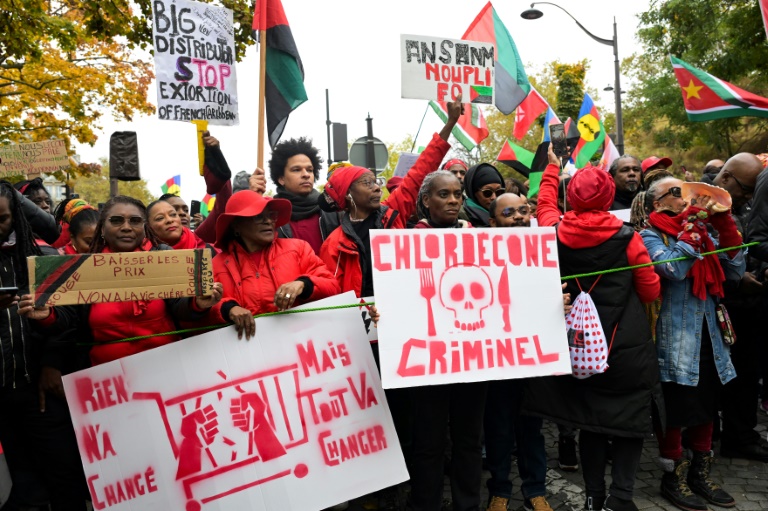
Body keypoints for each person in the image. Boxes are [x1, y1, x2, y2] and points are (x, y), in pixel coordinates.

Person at [525, 146, 662, 511]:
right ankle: (620, 498)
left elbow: (544, 209)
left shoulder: (554, 232)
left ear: (573, 197)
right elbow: (650, 290)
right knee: (628, 421)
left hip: (577, 347)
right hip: (625, 346)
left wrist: (552, 172)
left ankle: (592, 495)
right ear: (608, 194)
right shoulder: (629, 236)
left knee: (589, 420)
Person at [20, 196, 223, 366]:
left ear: (145, 227)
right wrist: (47, 315)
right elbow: (68, 322)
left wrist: (199, 303)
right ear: (102, 227)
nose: (126, 227)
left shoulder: (163, 257)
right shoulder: (82, 267)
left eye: (135, 221)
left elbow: (181, 307)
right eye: (116, 221)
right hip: (106, 379)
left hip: (166, 367)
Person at [641, 177, 744, 510]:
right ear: (656, 203)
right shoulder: (648, 235)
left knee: (706, 403)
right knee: (676, 408)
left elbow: (735, 270)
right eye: (676, 193)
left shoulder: (703, 231)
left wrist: (724, 226)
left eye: (686, 191)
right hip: (673, 338)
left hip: (709, 334)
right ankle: (674, 476)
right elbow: (671, 269)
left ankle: (700, 473)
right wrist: (692, 231)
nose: (686, 197)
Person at [0, 181, 89, 510]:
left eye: (2, 219)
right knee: (24, 487)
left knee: (62, 478)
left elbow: (70, 320)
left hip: (36, 390)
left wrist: (47, 317)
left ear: (17, 218)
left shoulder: (43, 257)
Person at [319, 96, 462, 298]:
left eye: (376, 182)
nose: (377, 188)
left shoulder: (392, 213)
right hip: (363, 324)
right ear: (348, 195)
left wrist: (450, 123)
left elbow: (421, 170)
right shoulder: (334, 246)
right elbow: (332, 296)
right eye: (367, 183)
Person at [407, 169, 488, 511]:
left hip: (472, 356)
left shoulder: (479, 237)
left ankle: (467, 504)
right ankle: (426, 503)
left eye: (457, 194)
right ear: (426, 201)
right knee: (429, 442)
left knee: (470, 440)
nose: (454, 200)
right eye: (444, 194)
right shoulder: (407, 243)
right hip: (430, 361)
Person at [483, 192, 556, 511]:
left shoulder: (546, 250)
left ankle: (535, 489)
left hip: (532, 355)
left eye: (524, 210)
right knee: (498, 426)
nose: (518, 217)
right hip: (495, 357)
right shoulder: (478, 254)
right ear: (492, 221)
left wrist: (560, 302)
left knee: (531, 427)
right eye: (508, 212)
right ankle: (499, 488)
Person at [211, 191, 341, 340]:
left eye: (271, 215)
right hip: (247, 354)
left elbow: (333, 287)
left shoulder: (298, 249)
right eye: (258, 217)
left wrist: (303, 284)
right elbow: (202, 310)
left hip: (301, 345)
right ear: (236, 226)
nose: (268, 221)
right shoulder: (217, 265)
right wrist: (228, 309)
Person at [269, 137, 338, 255]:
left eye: (310, 170)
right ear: (281, 179)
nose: (306, 175)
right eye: (296, 170)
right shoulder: (271, 215)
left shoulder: (333, 210)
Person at [147, 199, 215, 252]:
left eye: (173, 214)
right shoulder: (142, 257)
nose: (169, 220)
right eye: (160, 218)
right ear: (148, 227)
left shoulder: (209, 250)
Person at [458, 163, 505, 228]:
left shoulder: (509, 213)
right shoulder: (460, 216)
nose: (494, 197)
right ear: (474, 192)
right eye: (487, 192)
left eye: (499, 192)